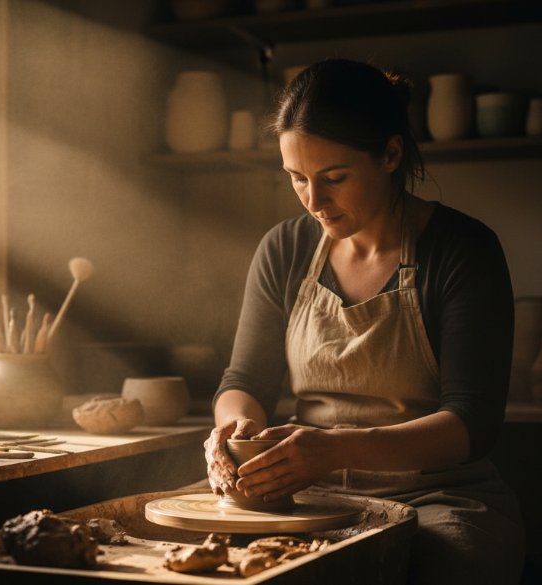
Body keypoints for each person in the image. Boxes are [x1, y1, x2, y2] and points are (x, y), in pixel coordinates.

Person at [204, 58, 525, 584]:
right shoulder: (284, 249)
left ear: (391, 154)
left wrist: (333, 450)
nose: (314, 201)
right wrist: (235, 432)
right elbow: (242, 383)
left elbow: (472, 423)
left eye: (334, 178)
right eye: (297, 178)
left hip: (437, 495)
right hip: (306, 493)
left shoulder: (462, 248)